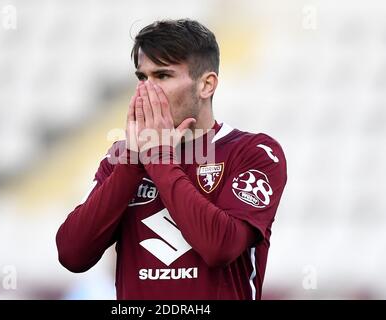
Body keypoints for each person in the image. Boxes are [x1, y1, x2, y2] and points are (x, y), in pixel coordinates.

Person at [56, 19, 287, 300]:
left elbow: (219, 247)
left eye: (162, 76)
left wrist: (159, 158)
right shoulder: (121, 158)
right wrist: (132, 162)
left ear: (206, 85)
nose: (146, 91)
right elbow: (72, 254)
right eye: (143, 78)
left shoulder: (253, 152)